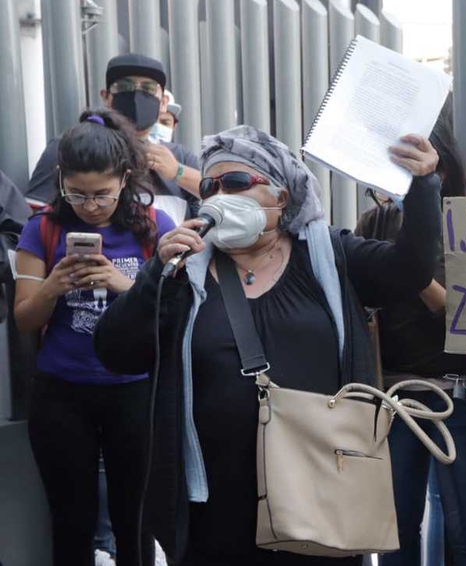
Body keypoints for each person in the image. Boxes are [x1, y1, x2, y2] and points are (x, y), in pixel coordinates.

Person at [92, 125, 443, 565]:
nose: (219, 195)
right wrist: (154, 274)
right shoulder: (184, 273)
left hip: (318, 492)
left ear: (284, 196)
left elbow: (409, 271)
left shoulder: (329, 256)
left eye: (236, 182)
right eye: (209, 185)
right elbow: (114, 351)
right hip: (215, 503)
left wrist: (424, 186)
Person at [13, 108, 175, 566]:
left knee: (136, 521)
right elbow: (25, 317)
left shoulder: (154, 227)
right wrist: (54, 286)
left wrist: (125, 285)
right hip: (62, 393)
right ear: (61, 178)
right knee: (71, 521)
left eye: (101, 195)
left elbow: (176, 313)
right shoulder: (41, 228)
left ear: (124, 178)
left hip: (136, 391)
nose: (90, 206)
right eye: (77, 194)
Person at [355, 95, 466, 566]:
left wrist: (415, 274)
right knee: (394, 533)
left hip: (462, 396)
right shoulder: (374, 220)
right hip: (395, 400)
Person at [26, 54, 200, 226]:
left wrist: (178, 172)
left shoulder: (179, 156)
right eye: (124, 86)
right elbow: (34, 219)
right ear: (106, 97)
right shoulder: (71, 147)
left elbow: (219, 199)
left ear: (163, 102)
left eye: (148, 88)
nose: (136, 95)